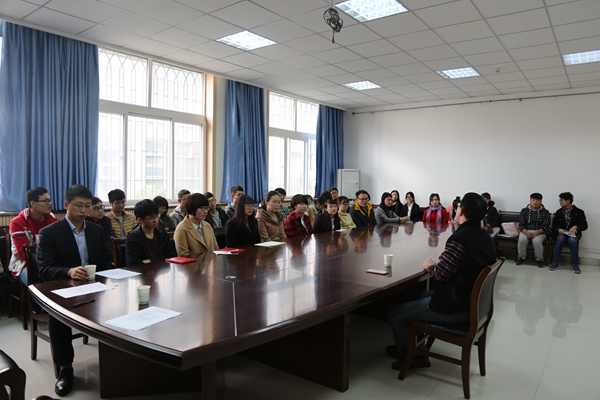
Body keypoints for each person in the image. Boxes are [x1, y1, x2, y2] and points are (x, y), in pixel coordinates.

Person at [387, 192, 496, 371]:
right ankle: (405, 344)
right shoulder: (485, 237)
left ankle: (416, 356)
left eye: (459, 207)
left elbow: (440, 275)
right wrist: (446, 259)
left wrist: (431, 265)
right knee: (413, 295)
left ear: (461, 212)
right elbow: (468, 263)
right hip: (470, 302)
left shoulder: (460, 238)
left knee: (396, 313)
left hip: (455, 306)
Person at [36, 185, 113, 396]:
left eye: (88, 206)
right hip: (64, 289)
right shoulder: (49, 233)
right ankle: (65, 370)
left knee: (121, 303)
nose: (84, 210)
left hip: (95, 287)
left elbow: (106, 262)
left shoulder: (96, 230)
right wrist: (69, 271)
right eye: (78, 205)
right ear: (66, 205)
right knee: (57, 317)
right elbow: (44, 269)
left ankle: (117, 360)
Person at [8, 187, 58, 285]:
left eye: (50, 200)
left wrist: (34, 250)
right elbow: (24, 254)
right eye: (45, 201)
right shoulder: (18, 222)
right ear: (33, 203)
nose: (49, 203)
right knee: (37, 284)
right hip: (24, 264)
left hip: (50, 263)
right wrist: (49, 252)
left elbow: (62, 247)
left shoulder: (53, 220)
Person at [125, 199, 177, 266]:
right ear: (140, 219)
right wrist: (158, 260)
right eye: (150, 218)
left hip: (162, 269)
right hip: (143, 271)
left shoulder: (162, 234)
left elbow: (171, 256)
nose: (155, 220)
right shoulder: (133, 238)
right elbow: (132, 262)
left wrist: (150, 261)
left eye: (156, 216)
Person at [549, 192, 587, 274]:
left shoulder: (579, 212)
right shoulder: (559, 212)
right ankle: (555, 262)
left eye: (562, 200)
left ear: (568, 200)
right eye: (560, 200)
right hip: (562, 233)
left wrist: (576, 226)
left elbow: (584, 225)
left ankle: (575, 264)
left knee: (572, 241)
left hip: (573, 234)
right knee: (560, 239)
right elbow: (554, 225)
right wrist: (558, 229)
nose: (560, 202)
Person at [173, 193, 219, 258]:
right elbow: (183, 256)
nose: (205, 211)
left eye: (207, 208)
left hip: (211, 262)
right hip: (193, 264)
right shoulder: (181, 229)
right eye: (202, 208)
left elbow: (216, 248)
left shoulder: (207, 225)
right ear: (193, 208)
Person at [517, 193, 551, 267]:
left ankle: (539, 259)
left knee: (536, 241)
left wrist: (536, 233)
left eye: (537, 200)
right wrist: (527, 233)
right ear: (530, 201)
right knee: (522, 240)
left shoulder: (545, 212)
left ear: (541, 201)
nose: (535, 202)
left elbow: (545, 226)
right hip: (526, 231)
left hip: (540, 232)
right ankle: (521, 257)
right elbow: (521, 224)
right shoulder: (524, 211)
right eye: (533, 200)